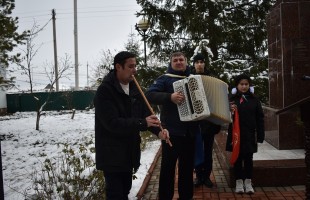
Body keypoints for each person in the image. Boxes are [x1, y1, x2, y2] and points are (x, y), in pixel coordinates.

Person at [94, 51, 163, 200]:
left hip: (129, 153)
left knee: (125, 191)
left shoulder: (134, 88)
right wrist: (142, 123)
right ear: (118, 67)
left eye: (135, 66)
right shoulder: (105, 91)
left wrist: (159, 132)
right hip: (112, 155)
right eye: (131, 66)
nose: (135, 70)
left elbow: (146, 115)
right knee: (116, 195)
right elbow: (111, 123)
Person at [146, 52, 199, 200]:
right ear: (171, 63)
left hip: (190, 133)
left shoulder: (194, 80)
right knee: (167, 170)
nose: (179, 62)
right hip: (171, 133)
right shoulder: (164, 79)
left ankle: (186, 197)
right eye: (175, 60)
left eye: (181, 59)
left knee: (187, 170)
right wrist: (169, 97)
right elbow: (150, 95)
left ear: (186, 62)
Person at [226, 74, 265, 194]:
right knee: (237, 158)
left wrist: (260, 135)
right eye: (241, 84)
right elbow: (224, 117)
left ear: (249, 85)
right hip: (236, 134)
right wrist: (229, 112)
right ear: (237, 85)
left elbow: (260, 118)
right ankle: (238, 181)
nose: (243, 86)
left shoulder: (254, 99)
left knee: (248, 158)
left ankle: (248, 181)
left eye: (246, 84)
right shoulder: (231, 99)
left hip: (249, 134)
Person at [191, 53, 221, 188]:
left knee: (208, 151)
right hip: (195, 122)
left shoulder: (212, 78)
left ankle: (207, 176)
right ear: (193, 64)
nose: (199, 64)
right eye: (196, 62)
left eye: (201, 62)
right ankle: (198, 176)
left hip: (209, 122)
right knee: (197, 150)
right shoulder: (189, 78)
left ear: (205, 64)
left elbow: (218, 98)